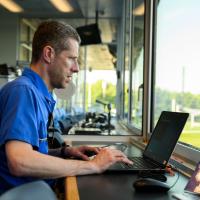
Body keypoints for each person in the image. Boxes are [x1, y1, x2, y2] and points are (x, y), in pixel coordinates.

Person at [0, 20, 132, 194]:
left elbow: (31, 153)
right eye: (71, 59)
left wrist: (65, 152)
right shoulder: (23, 92)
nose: (76, 68)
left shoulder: (37, 94)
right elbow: (20, 161)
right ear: (49, 54)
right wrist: (93, 165)